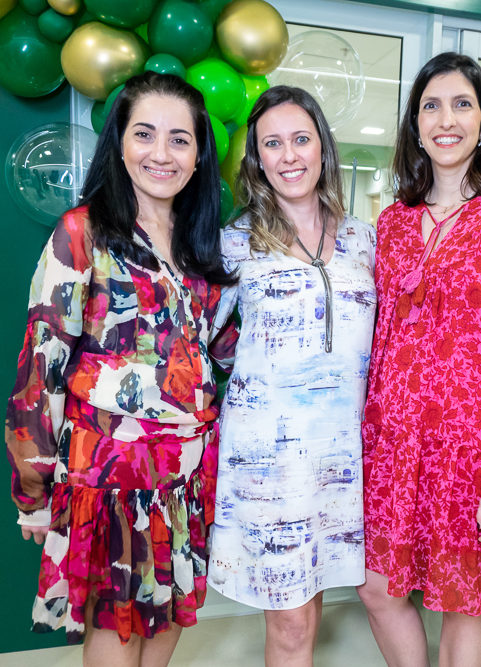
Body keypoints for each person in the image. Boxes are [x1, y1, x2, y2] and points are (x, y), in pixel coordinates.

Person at [5, 71, 238, 667]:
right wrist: (32, 486)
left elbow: (219, 349)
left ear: (199, 156)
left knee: (169, 622)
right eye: (145, 134)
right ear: (120, 142)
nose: (162, 153)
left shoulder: (201, 243)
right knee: (118, 633)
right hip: (110, 473)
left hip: (186, 475)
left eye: (180, 140)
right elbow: (42, 362)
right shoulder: (82, 232)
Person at [357, 52, 481, 667]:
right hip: (391, 442)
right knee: (377, 587)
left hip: (473, 446)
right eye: (431, 106)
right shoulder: (393, 222)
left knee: (464, 600)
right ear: (415, 126)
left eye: (462, 104)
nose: (446, 120)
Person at [207, 86, 377, 667]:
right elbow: (199, 337)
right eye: (272, 144)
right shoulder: (236, 243)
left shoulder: (364, 239)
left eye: (301, 139)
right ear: (256, 158)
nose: (289, 155)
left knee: (315, 596)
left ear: (322, 147)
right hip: (269, 461)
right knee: (289, 619)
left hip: (345, 458)